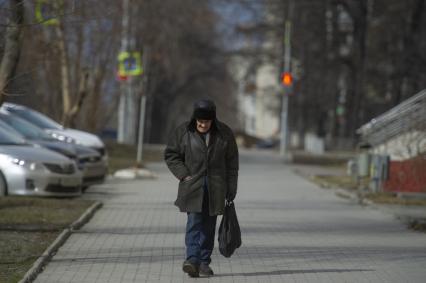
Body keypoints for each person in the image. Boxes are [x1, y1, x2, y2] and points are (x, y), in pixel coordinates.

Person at [164, 99, 239, 278]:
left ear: (212, 120)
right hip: (193, 186)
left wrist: (231, 187)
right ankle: (192, 260)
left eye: (205, 121)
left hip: (216, 187)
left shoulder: (225, 134)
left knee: (209, 226)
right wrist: (183, 175)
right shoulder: (183, 131)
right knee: (194, 224)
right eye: (199, 121)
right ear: (194, 118)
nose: (201, 124)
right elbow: (171, 155)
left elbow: (232, 163)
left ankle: (204, 262)